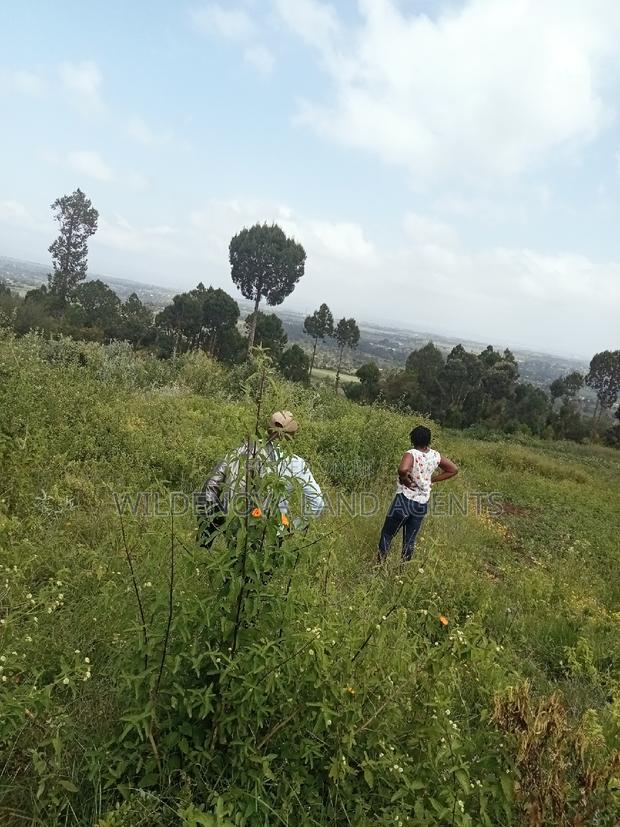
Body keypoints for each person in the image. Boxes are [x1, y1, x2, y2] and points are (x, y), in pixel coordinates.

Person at [197, 410, 324, 547]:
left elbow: (211, 485)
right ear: (292, 435)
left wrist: (211, 526)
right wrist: (293, 528)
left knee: (236, 563)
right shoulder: (295, 463)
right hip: (269, 533)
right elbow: (317, 503)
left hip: (234, 529)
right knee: (266, 566)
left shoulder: (240, 451)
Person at [378, 425, 458, 563]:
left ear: (412, 439)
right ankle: (402, 571)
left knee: (387, 534)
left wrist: (404, 478)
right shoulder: (435, 456)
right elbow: (453, 469)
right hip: (421, 503)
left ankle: (379, 566)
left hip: (404, 500)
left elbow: (403, 469)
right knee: (409, 540)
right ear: (428, 440)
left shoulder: (412, 454)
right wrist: (432, 479)